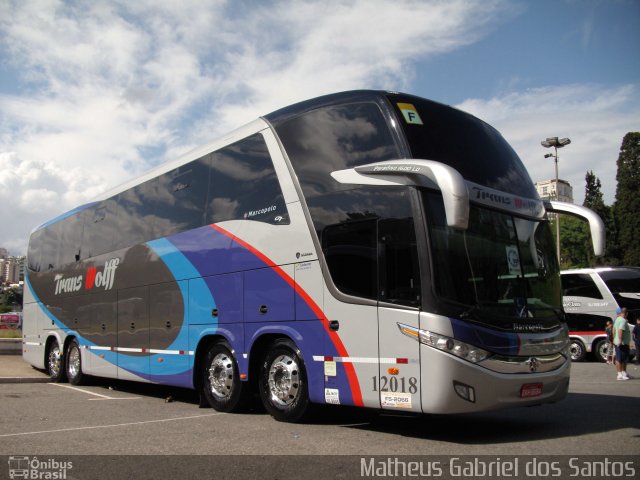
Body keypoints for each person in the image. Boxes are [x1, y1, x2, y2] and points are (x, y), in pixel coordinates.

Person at [613, 307, 631, 380]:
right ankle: (620, 375)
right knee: (620, 359)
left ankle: (623, 373)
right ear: (626, 313)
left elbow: (614, 330)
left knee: (622, 358)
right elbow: (620, 330)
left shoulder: (617, 319)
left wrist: (614, 339)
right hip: (622, 343)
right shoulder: (623, 320)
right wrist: (620, 340)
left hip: (619, 342)